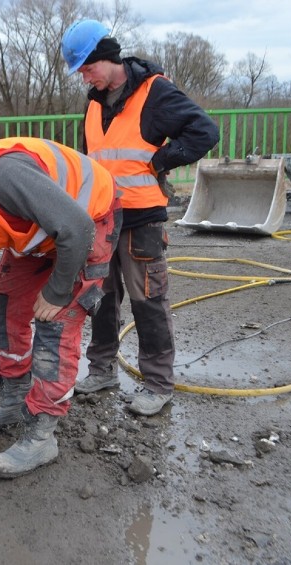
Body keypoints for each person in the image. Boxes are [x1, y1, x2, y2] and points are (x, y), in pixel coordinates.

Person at [0, 137, 121, 478]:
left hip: (87, 220)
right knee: (2, 306)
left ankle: (42, 434)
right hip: (43, 233)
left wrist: (58, 291)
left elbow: (76, 228)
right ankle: (14, 401)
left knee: (56, 323)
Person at [60, 20, 219, 415]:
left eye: (86, 67)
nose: (84, 76)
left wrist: (163, 160)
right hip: (102, 218)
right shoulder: (94, 101)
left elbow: (204, 131)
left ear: (106, 57)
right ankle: (102, 369)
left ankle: (159, 384)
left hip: (141, 219)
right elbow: (91, 158)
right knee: (101, 297)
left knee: (148, 301)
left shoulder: (155, 93)